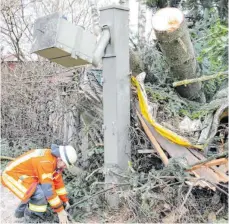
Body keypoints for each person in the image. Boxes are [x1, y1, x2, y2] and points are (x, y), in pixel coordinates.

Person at [0, 144, 78, 223]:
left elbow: (58, 183)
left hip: (25, 175)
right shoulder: (46, 162)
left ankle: (19, 214)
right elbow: (48, 190)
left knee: (35, 190)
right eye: (65, 164)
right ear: (60, 158)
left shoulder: (54, 161)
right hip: (11, 176)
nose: (64, 167)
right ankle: (32, 219)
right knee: (39, 193)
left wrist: (64, 200)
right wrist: (60, 211)